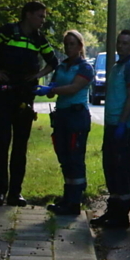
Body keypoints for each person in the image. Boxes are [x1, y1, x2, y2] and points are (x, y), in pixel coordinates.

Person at [0, 1, 57, 207]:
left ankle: (15, 193)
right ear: (27, 15)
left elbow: (53, 62)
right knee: (2, 142)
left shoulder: (38, 39)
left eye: (44, 17)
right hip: (3, 95)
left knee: (20, 145)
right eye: (40, 16)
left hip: (25, 98)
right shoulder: (8, 32)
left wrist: (37, 75)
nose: (42, 21)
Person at [34, 30, 94, 216]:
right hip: (61, 117)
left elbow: (74, 87)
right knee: (64, 158)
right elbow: (54, 89)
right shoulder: (62, 66)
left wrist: (53, 89)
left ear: (80, 46)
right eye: (66, 44)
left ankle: (74, 202)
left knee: (75, 159)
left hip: (76, 117)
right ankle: (68, 198)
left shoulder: (85, 68)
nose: (69, 47)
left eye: (72, 44)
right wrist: (49, 89)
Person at [91, 29, 130, 229]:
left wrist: (122, 122)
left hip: (124, 126)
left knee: (122, 170)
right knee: (111, 168)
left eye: (126, 43)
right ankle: (112, 210)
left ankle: (122, 215)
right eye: (119, 42)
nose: (121, 46)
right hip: (112, 126)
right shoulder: (116, 67)